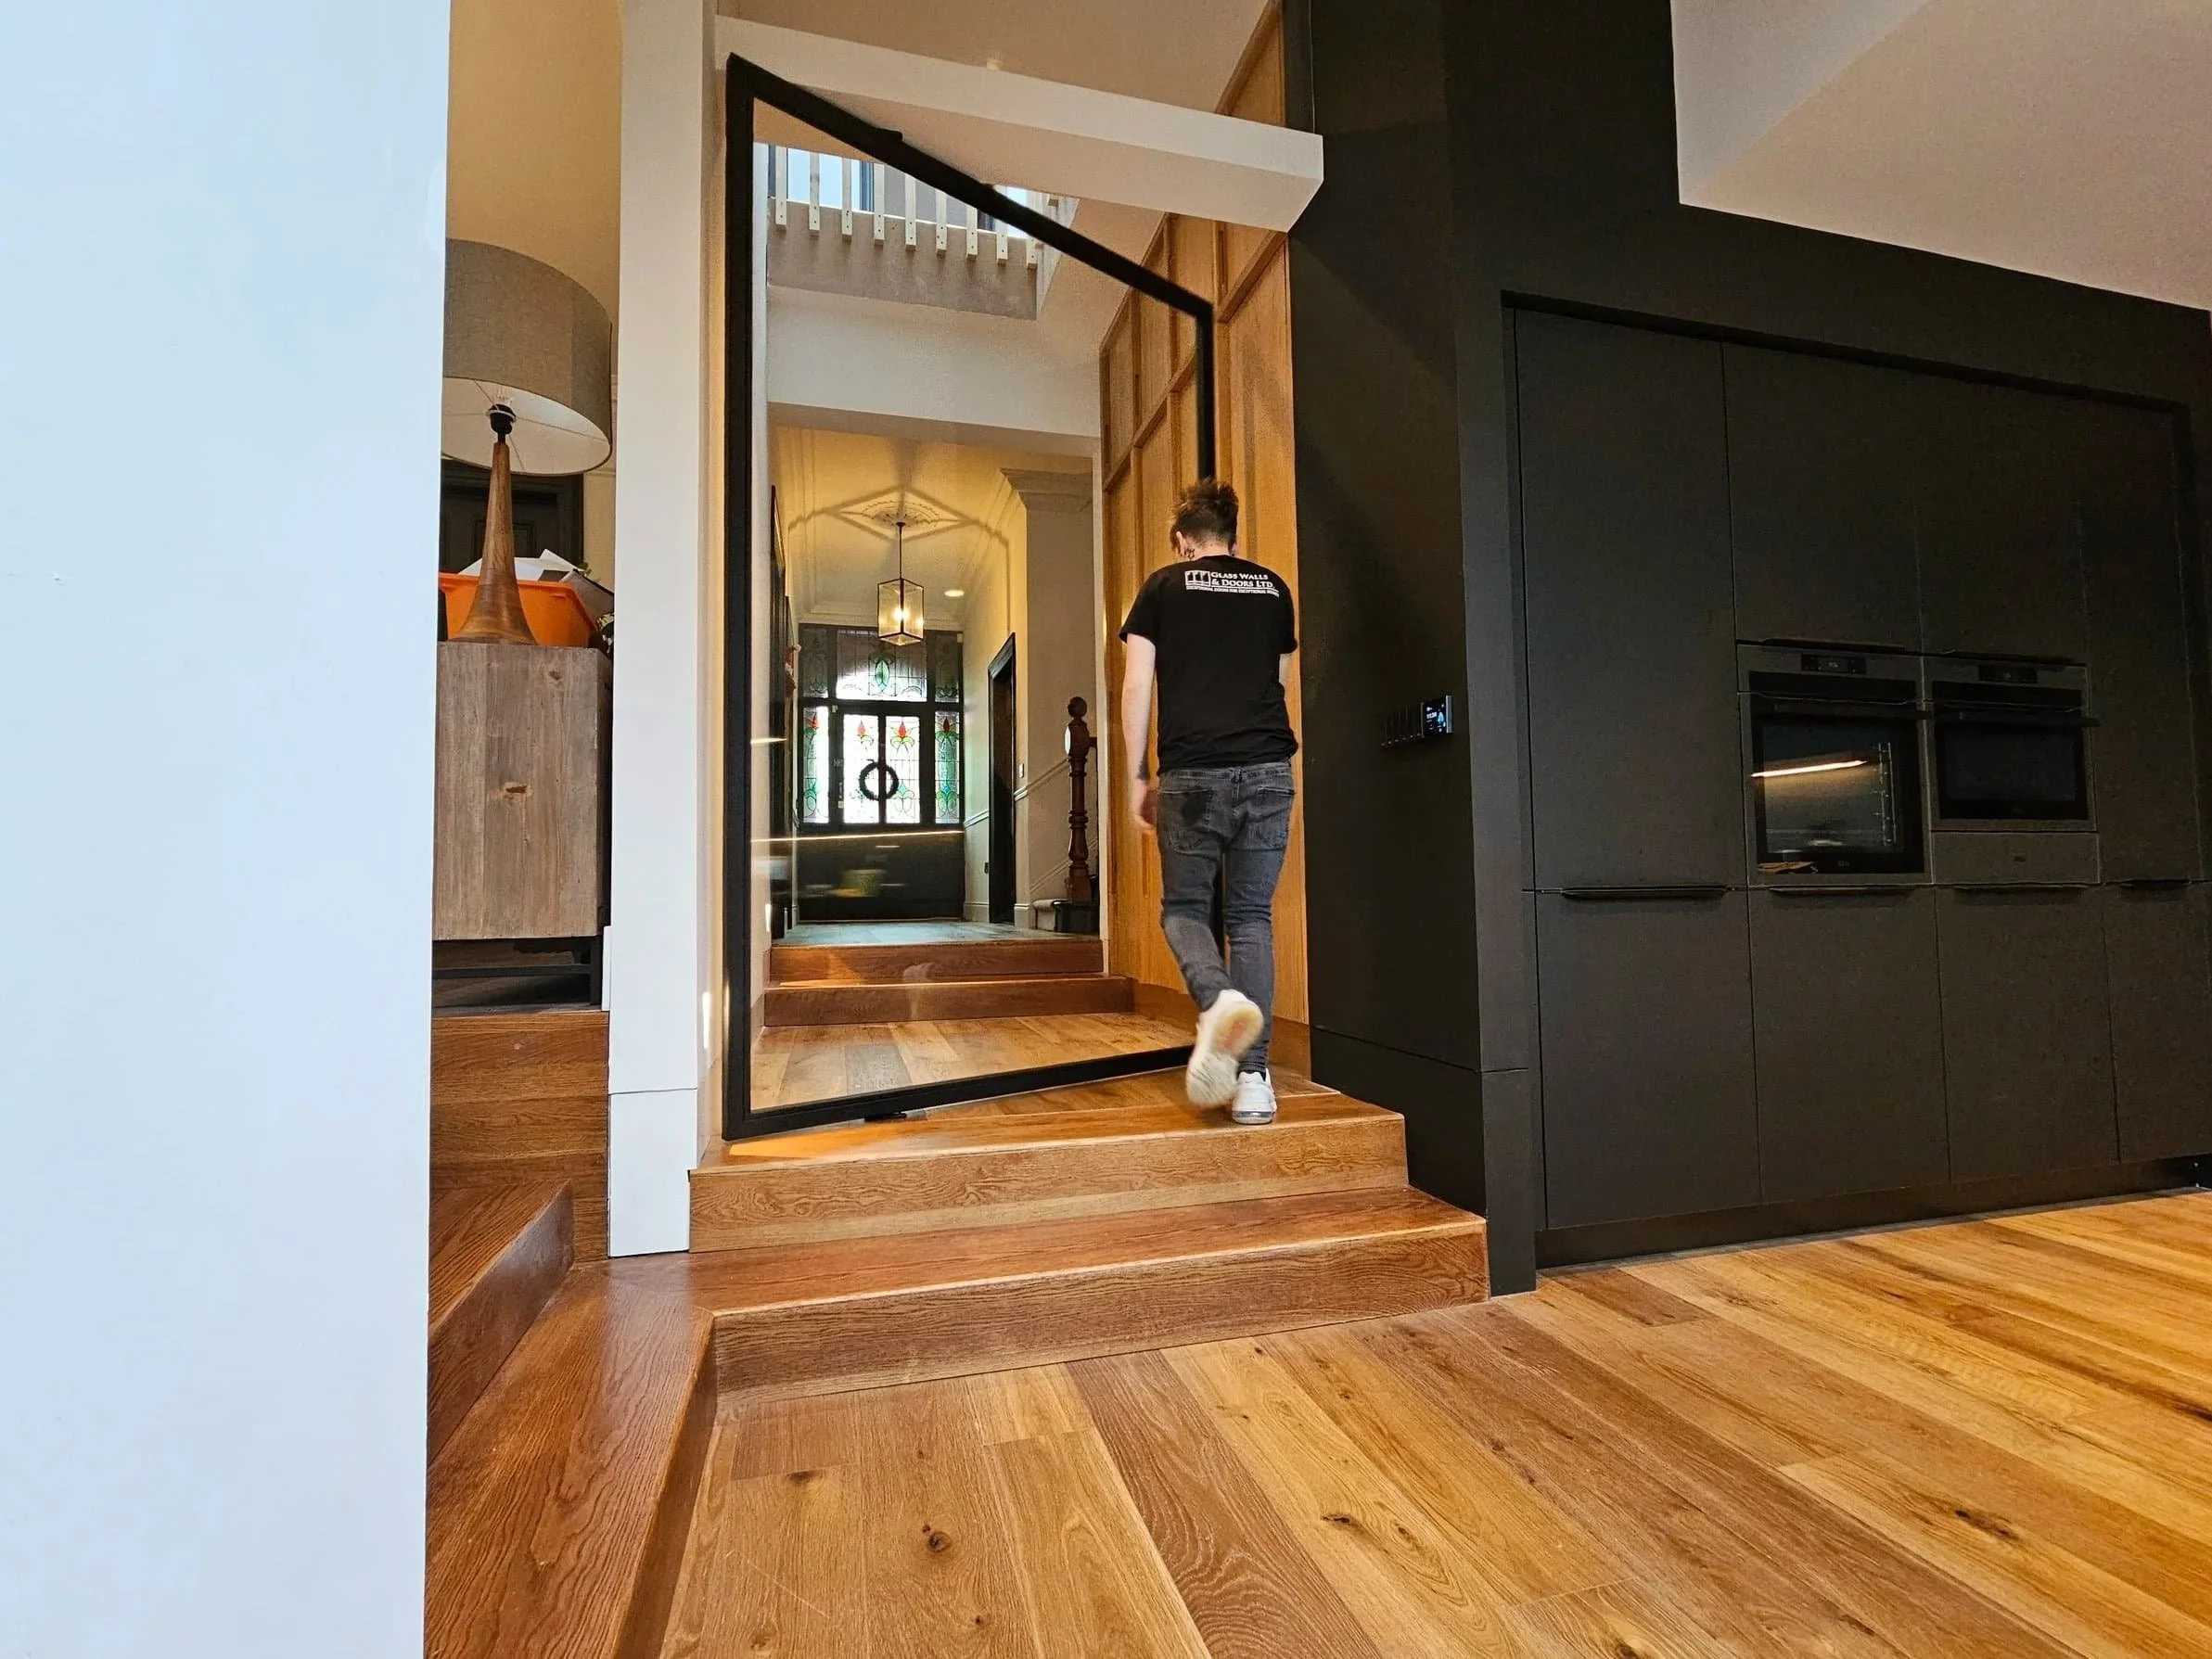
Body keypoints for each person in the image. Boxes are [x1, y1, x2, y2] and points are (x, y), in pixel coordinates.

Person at [1119, 479, 1298, 1124]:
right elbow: (1275, 684)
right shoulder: (1272, 587)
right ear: (1233, 539)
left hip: (1193, 777)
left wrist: (1137, 775)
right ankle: (1254, 1081)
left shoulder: (1163, 586)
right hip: (1268, 771)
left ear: (1180, 540)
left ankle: (1217, 998)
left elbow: (1137, 684)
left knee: (1183, 909)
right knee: (1250, 916)